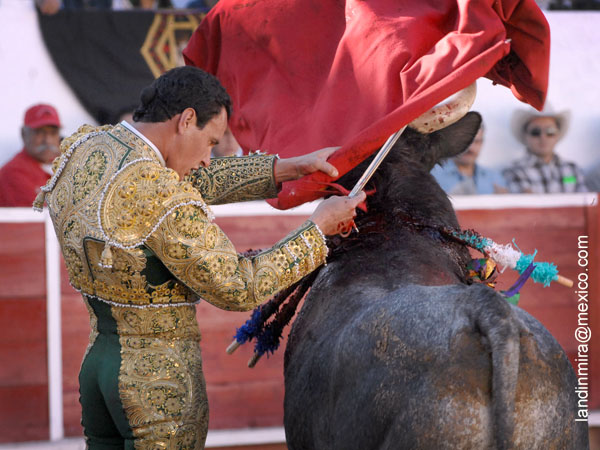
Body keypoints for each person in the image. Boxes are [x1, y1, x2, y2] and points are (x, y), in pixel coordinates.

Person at [34, 66, 364, 449]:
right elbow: (240, 286)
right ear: (186, 119)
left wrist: (290, 167)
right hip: (158, 381)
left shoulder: (91, 147)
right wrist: (317, 229)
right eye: (210, 141)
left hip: (98, 367)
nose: (209, 157)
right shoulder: (158, 192)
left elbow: (193, 177)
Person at [503, 105, 587, 193]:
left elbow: (585, 201)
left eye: (550, 131)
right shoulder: (514, 172)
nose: (543, 137)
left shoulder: (573, 170)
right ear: (525, 136)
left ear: (557, 135)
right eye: (535, 132)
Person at [0, 104, 62, 207]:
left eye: (53, 133)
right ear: (24, 134)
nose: (47, 140)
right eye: (39, 132)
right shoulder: (13, 172)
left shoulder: (68, 165)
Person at [430, 121, 507, 195]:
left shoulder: (495, 178)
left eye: (476, 142)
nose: (470, 148)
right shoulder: (433, 176)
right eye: (464, 141)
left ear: (482, 143)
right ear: (452, 142)